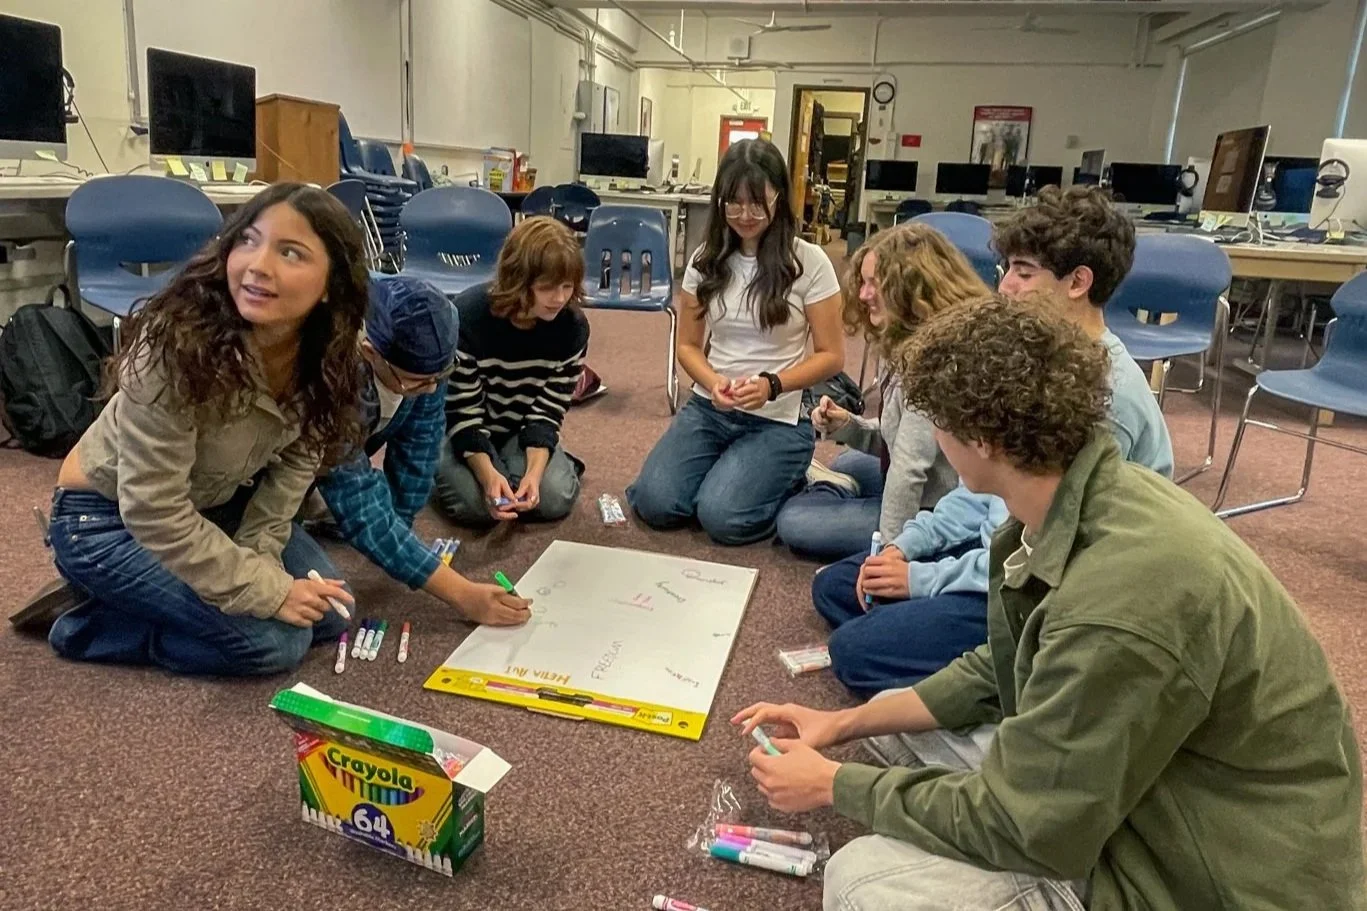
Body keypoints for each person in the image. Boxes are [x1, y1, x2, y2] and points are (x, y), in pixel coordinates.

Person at [736, 295, 1366, 911]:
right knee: (893, 733)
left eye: (936, 420)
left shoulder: (1119, 601)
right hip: (1160, 786)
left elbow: (1030, 829)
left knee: (860, 879)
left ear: (980, 437)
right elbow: (999, 663)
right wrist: (840, 726)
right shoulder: (1080, 491)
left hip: (1210, 877)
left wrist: (835, 786)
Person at [812, 185, 1174, 696]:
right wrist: (908, 545)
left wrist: (921, 581)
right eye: (1007, 271)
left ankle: (1020, 683)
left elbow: (1036, 558)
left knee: (854, 650)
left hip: (1056, 592)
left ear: (1078, 282)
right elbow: (981, 489)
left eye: (1024, 274)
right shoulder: (1045, 355)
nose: (1005, 289)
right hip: (1004, 545)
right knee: (838, 588)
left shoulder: (1103, 397)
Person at [28, 183, 368, 676]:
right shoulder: (176, 346)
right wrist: (266, 592)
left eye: (290, 252)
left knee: (331, 612)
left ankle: (147, 596)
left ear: (332, 285)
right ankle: (88, 622)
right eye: (248, 241)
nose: (257, 265)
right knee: (275, 644)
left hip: (211, 505)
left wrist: (262, 568)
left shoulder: (328, 356)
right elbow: (152, 508)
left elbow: (291, 476)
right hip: (106, 521)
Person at [628, 139, 844, 545]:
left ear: (779, 195)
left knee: (722, 519)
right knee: (656, 503)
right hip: (712, 408)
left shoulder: (809, 262)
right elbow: (689, 346)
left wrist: (771, 385)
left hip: (778, 417)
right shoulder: (705, 259)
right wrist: (712, 383)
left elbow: (832, 356)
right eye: (734, 203)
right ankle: (735, 474)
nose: (745, 215)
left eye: (757, 203)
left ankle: (795, 474)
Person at [312, 276, 531, 626]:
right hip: (267, 482)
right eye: (414, 381)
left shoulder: (427, 363)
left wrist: (399, 529)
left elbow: (420, 449)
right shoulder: (333, 380)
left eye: (439, 377)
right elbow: (359, 502)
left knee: (382, 516)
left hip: (340, 461)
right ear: (370, 353)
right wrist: (461, 593)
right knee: (329, 614)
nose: (431, 389)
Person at [774, 224, 978, 561]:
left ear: (915, 287)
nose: (865, 295)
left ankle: (834, 492)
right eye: (864, 282)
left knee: (794, 521)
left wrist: (888, 556)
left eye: (876, 284)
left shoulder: (934, 359)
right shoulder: (903, 336)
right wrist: (848, 425)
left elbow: (908, 470)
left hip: (935, 510)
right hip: (931, 476)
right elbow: (904, 438)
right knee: (849, 461)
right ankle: (840, 489)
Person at [434, 217, 588, 527]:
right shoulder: (468, 317)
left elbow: (547, 412)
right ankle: (441, 467)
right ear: (518, 281)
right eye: (546, 288)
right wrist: (488, 474)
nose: (559, 298)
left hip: (519, 429)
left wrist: (533, 473)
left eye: (567, 287)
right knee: (475, 508)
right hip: (459, 429)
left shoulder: (572, 328)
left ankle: (541, 462)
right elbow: (463, 415)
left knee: (553, 498)